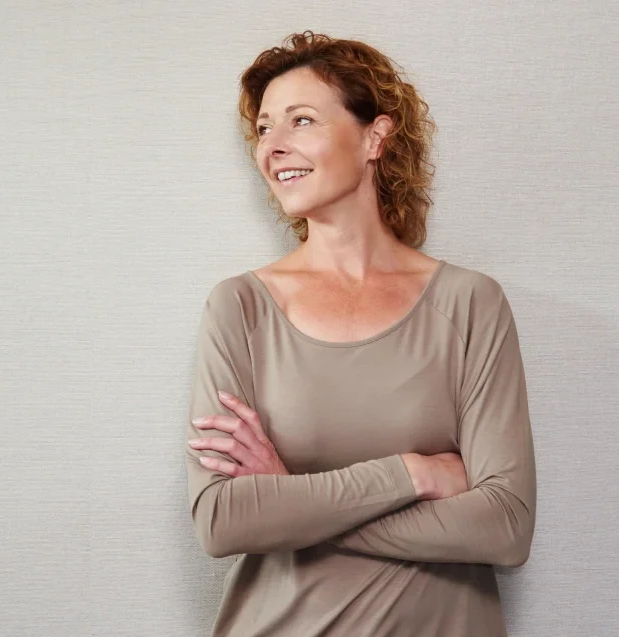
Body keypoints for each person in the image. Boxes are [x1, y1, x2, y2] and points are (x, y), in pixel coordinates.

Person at [185, 31, 536, 637]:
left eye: (301, 120)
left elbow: (505, 528)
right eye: (265, 128)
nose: (275, 146)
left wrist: (290, 501)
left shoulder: (469, 303)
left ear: (375, 135)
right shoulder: (239, 307)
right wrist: (410, 475)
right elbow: (223, 521)